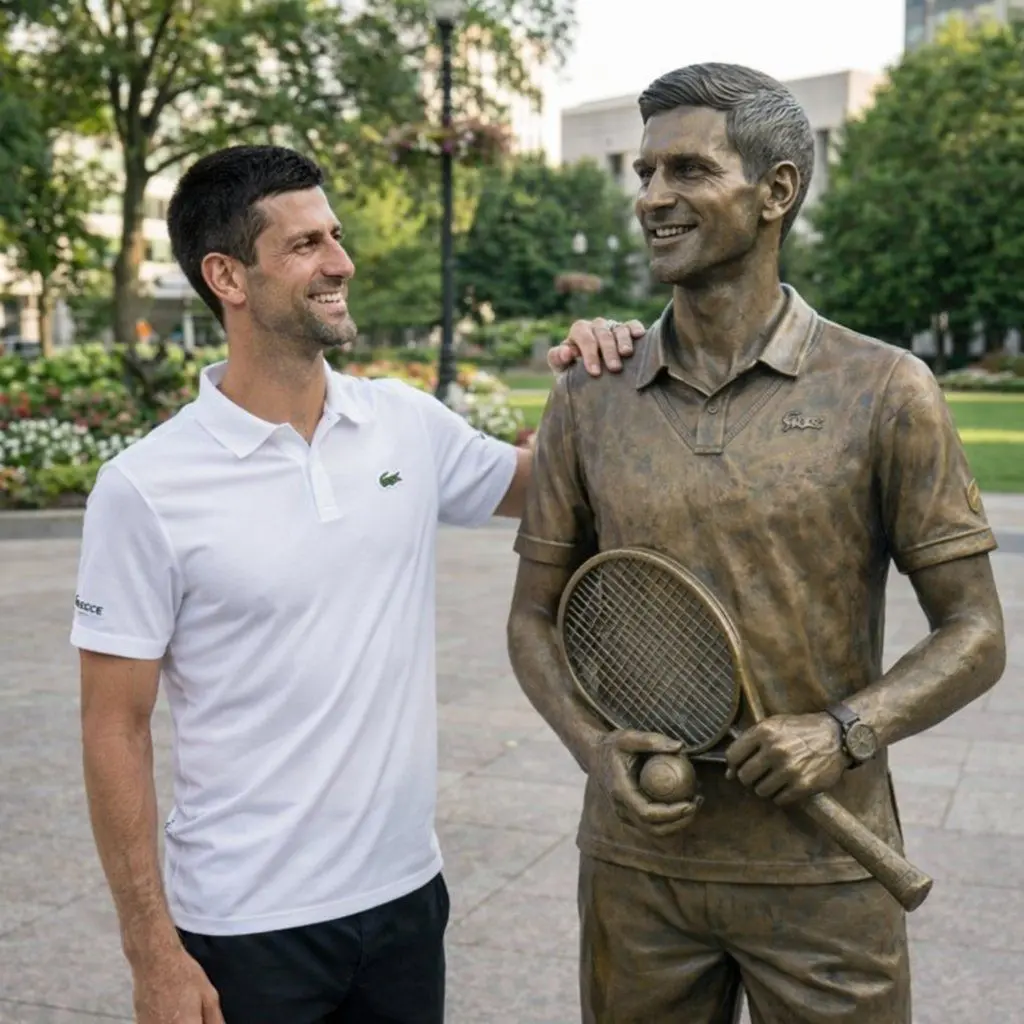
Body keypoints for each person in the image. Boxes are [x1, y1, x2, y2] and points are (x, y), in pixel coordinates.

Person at [70, 143, 641, 1024]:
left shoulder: (403, 424)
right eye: (304, 246)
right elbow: (115, 725)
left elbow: (549, 489)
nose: (340, 262)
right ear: (227, 275)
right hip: (244, 924)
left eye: (334, 236)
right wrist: (152, 950)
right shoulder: (145, 487)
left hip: (405, 900)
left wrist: (592, 380)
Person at [506, 62, 1007, 1024]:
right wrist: (589, 746)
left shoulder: (887, 388)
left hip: (827, 874)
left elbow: (976, 633)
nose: (652, 198)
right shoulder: (588, 392)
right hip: (639, 868)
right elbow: (533, 618)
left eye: (687, 170)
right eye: (645, 173)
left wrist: (845, 730)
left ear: (776, 190)